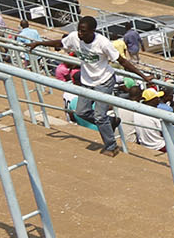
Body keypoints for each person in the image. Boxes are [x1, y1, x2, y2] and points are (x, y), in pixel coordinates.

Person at [29, 16, 150, 155]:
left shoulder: (103, 43)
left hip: (104, 81)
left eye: (84, 31)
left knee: (99, 116)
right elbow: (60, 43)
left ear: (93, 30)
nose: (81, 34)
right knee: (81, 112)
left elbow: (123, 62)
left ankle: (111, 146)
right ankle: (110, 121)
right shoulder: (74, 37)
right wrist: (39, 43)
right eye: (79, 30)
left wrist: (144, 77)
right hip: (87, 81)